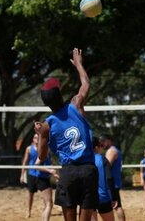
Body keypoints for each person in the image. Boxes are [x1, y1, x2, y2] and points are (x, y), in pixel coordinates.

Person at [34, 48, 98, 221]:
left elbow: (41, 156)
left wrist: (40, 135)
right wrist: (78, 64)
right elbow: (86, 84)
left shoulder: (47, 126)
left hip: (68, 173)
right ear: (60, 96)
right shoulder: (75, 105)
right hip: (88, 170)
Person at [20, 133, 58, 221]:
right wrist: (22, 175)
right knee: (31, 194)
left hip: (42, 175)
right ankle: (29, 211)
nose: (36, 139)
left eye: (38, 137)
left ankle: (45, 213)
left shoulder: (46, 149)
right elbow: (25, 162)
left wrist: (53, 172)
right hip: (32, 175)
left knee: (47, 202)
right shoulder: (29, 149)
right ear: (33, 139)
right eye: (35, 137)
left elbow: (49, 162)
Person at [99, 134, 126, 221]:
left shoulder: (111, 151)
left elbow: (105, 167)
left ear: (109, 140)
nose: (102, 144)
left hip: (112, 183)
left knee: (117, 206)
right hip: (113, 182)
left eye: (103, 141)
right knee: (117, 206)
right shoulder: (114, 150)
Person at [91, 137, 116, 221]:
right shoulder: (102, 159)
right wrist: (114, 197)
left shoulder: (83, 160)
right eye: (101, 145)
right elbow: (109, 178)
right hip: (103, 197)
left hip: (88, 197)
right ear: (97, 148)